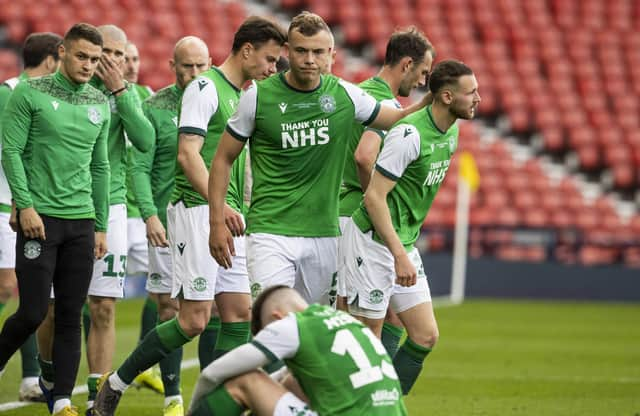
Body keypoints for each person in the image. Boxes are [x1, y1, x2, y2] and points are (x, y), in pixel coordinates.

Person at [92, 17, 287, 416]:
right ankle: (116, 383)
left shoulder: (243, 93)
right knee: (194, 320)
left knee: (237, 314)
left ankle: (218, 406)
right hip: (199, 212)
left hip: (227, 213)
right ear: (247, 50)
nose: (272, 68)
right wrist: (220, 207)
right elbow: (187, 154)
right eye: (269, 59)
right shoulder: (205, 87)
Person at [208, 12, 430, 306]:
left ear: (330, 54)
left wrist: (433, 98)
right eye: (301, 51)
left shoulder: (344, 95)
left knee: (314, 330)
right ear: (288, 52)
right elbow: (223, 159)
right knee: (273, 323)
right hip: (270, 233)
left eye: (317, 52)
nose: (309, 59)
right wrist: (215, 222)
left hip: (325, 235)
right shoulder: (257, 97)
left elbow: (398, 117)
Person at [341, 60, 480, 394]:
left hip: (403, 242)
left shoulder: (452, 130)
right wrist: (398, 253)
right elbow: (374, 198)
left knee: (425, 335)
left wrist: (404, 249)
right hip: (373, 242)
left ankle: (385, 401)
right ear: (447, 97)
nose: (478, 99)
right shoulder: (409, 134)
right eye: (471, 92)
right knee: (366, 342)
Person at [0, 23, 110, 416]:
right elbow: (10, 150)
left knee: (70, 313)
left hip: (81, 222)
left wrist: (101, 226)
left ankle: (61, 399)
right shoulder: (30, 92)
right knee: (31, 313)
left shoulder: (99, 102)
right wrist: (25, 205)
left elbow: (101, 167)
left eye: (95, 60)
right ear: (62, 52)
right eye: (82, 56)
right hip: (39, 219)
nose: (88, 65)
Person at [337, 28, 435, 358]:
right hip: (356, 219)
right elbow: (365, 156)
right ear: (407, 64)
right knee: (355, 325)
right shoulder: (383, 104)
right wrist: (375, 203)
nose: (422, 81)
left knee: (389, 315)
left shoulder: (361, 92)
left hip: (340, 211)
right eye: (423, 72)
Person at [129, 35, 212, 416]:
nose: (194, 73)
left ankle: (213, 392)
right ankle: (173, 399)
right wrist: (148, 215)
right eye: (187, 66)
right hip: (166, 222)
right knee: (168, 308)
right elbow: (140, 169)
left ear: (210, 64)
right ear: (172, 67)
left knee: (222, 307)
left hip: (212, 218)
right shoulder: (154, 107)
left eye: (201, 66)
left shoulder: (221, 100)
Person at [187, 285, 407, 415]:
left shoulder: (293, 325)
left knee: (245, 381)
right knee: (291, 382)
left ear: (277, 318)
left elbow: (211, 374)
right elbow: (282, 378)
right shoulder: (345, 320)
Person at [80, 24, 154, 414]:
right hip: (66, 206)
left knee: (103, 306)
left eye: (121, 55)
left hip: (113, 208)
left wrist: (120, 92)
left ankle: (97, 397)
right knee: (55, 309)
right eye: (107, 52)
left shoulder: (128, 94)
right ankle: (46, 381)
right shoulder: (71, 88)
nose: (114, 61)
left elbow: (144, 140)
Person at [0, 31, 62, 403]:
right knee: (11, 286)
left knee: (30, 293)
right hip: (8, 203)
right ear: (54, 58)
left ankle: (29, 377)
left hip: (37, 207)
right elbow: (10, 149)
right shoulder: (9, 92)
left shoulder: (51, 97)